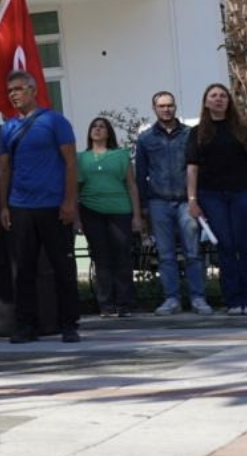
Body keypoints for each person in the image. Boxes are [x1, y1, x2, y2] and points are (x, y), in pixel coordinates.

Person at [0, 69, 81, 343]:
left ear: (33, 90)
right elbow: (3, 169)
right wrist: (4, 206)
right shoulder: (7, 128)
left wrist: (69, 202)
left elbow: (70, 162)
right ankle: (26, 326)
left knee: (62, 267)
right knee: (23, 269)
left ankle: (69, 324)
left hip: (53, 205)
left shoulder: (55, 121)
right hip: (21, 206)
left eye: (19, 89)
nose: (14, 95)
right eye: (10, 91)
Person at [136, 92, 209, 314]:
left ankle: (198, 298)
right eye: (161, 106)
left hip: (187, 201)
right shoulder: (146, 138)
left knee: (193, 252)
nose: (166, 109)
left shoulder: (190, 135)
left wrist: (198, 199)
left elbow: (199, 167)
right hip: (158, 201)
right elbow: (141, 174)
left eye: (169, 105)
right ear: (154, 109)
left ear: (175, 107)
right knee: (165, 254)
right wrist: (143, 206)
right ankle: (172, 299)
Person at [186, 82, 247, 316]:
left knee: (244, 243)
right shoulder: (197, 132)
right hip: (211, 196)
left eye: (223, 95)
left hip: (241, 192)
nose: (219, 99)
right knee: (226, 246)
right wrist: (192, 199)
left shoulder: (241, 129)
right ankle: (233, 299)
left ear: (229, 101)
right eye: (214, 96)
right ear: (206, 101)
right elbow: (192, 168)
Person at [77, 117, 142, 318]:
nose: (97, 130)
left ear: (108, 132)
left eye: (101, 127)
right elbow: (75, 189)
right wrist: (77, 219)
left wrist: (137, 216)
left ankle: (124, 304)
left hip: (120, 210)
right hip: (91, 210)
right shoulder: (81, 158)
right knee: (100, 258)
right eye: (94, 126)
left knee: (121, 256)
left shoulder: (121, 155)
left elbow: (131, 185)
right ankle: (105, 304)